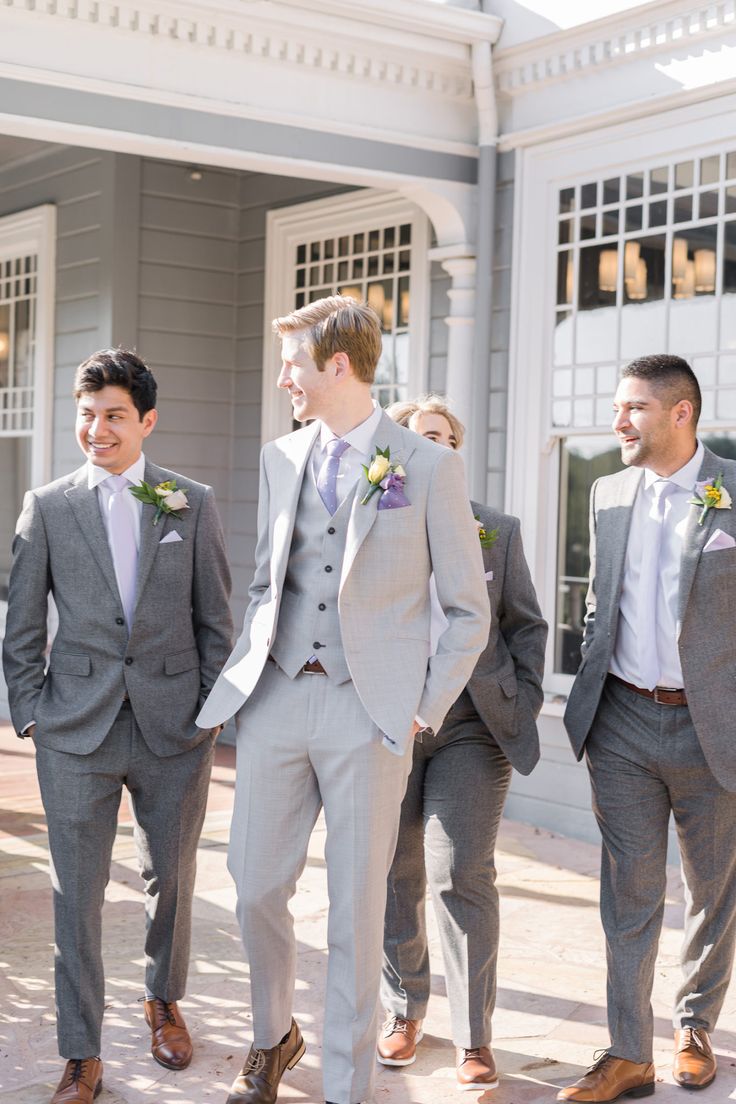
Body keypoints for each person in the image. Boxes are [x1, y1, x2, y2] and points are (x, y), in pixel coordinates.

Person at [196, 296, 490, 1104]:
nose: (282, 376)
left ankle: (347, 1086)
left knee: (357, 911)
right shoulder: (280, 456)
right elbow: (266, 580)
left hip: (373, 711)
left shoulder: (428, 465)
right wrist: (252, 671)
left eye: (292, 361)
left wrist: (421, 706)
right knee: (254, 884)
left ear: (336, 365)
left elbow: (470, 610)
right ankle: (273, 1036)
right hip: (279, 699)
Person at [2, 349, 233, 1104]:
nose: (97, 430)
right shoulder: (49, 505)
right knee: (77, 891)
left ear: (147, 421)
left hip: (174, 728)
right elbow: (23, 625)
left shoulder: (188, 502)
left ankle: (163, 1000)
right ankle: (80, 1050)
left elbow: (215, 622)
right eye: (87, 414)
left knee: (171, 879)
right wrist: (31, 713)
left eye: (114, 416)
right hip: (74, 728)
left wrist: (208, 715)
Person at [560, 354, 736, 1103]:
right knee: (628, 891)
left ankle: (694, 1024)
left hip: (714, 726)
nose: (617, 422)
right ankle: (627, 1052)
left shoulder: (731, 490)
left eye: (632, 409)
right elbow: (603, 602)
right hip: (624, 719)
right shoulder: (606, 491)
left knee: (712, 889)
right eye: (617, 407)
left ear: (680, 413)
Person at [377, 395, 547, 1091]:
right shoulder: (372, 525)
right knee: (394, 871)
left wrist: (522, 698)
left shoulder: (494, 531)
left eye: (447, 439)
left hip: (474, 727)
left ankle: (475, 1035)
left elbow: (527, 625)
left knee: (461, 872)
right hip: (389, 723)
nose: (436, 448)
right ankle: (404, 1008)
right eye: (423, 438)